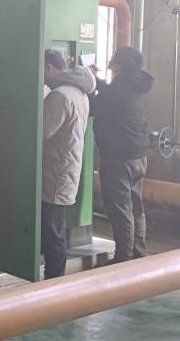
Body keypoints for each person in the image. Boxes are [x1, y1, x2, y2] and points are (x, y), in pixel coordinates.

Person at [92, 46, 154, 263]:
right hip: (139, 155)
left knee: (120, 208)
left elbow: (93, 107)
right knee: (136, 206)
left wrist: (88, 81)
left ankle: (123, 257)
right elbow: (111, 96)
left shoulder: (117, 90)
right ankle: (137, 252)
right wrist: (98, 82)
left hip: (118, 158)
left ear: (118, 64)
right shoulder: (137, 85)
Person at [42, 49, 95, 279]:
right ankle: (56, 277)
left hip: (56, 172)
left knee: (52, 230)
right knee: (56, 228)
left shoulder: (59, 96)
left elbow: (42, 131)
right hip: (66, 168)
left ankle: (55, 279)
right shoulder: (79, 93)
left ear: (48, 67)